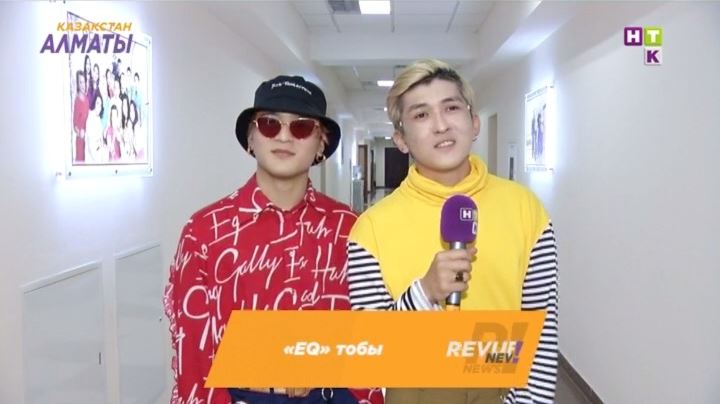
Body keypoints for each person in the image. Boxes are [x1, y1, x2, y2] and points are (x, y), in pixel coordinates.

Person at [346, 59, 558, 404]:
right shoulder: (370, 229)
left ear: (474, 123)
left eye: (451, 107)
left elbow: (541, 332)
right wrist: (424, 293)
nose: (441, 125)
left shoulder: (526, 210)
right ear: (401, 140)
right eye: (421, 115)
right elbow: (371, 350)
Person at [164, 75, 384, 404]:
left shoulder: (351, 227)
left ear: (321, 144)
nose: (284, 136)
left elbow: (371, 332)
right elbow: (192, 350)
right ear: (251, 138)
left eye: (301, 127)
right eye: (269, 124)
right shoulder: (204, 232)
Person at [72, 70, 89, 163]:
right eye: (80, 82)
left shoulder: (86, 99)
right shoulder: (77, 101)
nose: (83, 85)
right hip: (80, 141)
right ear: (78, 84)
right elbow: (74, 125)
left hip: (88, 140)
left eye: (84, 82)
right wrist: (79, 132)